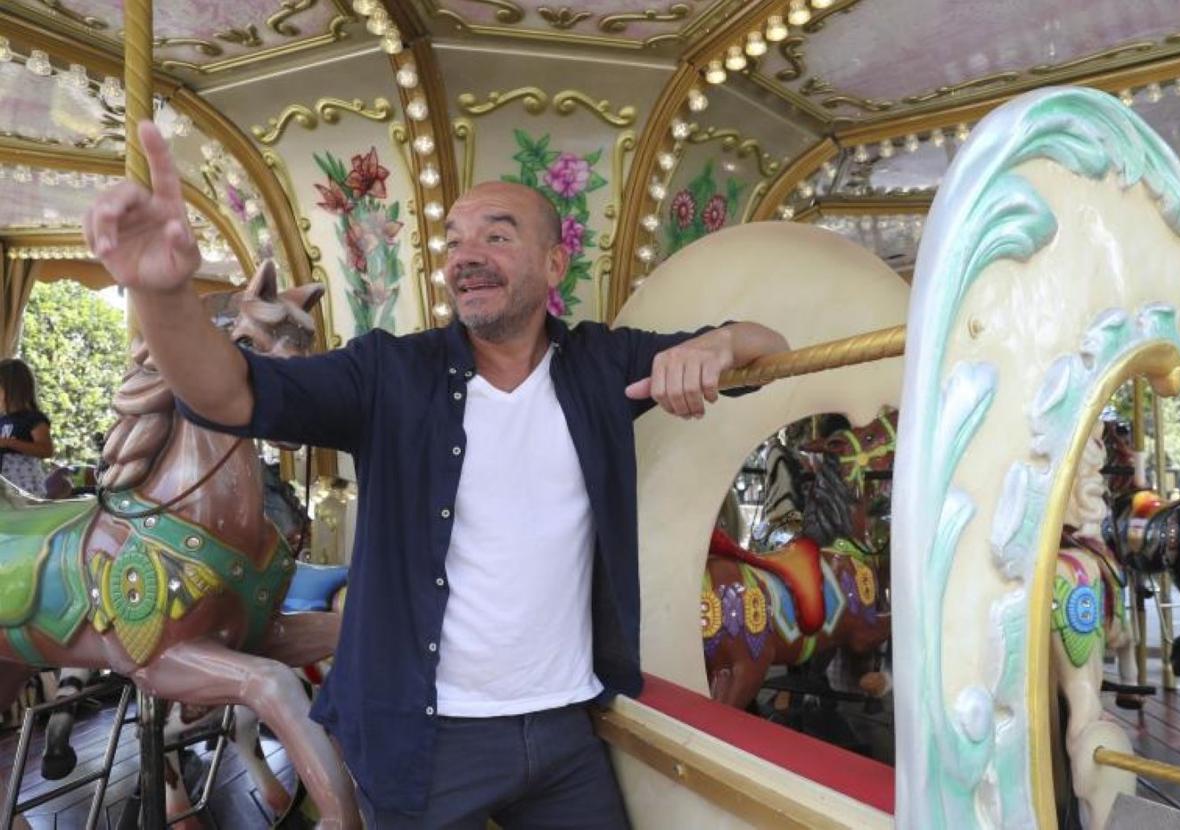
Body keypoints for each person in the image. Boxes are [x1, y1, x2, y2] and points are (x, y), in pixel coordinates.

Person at [84, 122, 789, 828]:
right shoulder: (389, 371)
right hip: (428, 742)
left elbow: (770, 349)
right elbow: (229, 395)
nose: (467, 257)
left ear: (554, 264)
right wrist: (163, 297)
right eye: (454, 241)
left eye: (497, 235)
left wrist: (720, 344)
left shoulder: (602, 365)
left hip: (566, 734)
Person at [0, 358, 54, 497]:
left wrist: (9, 442)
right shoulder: (2, 420)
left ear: (12, 390)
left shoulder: (33, 418)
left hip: (26, 486)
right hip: (5, 487)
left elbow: (46, 450)